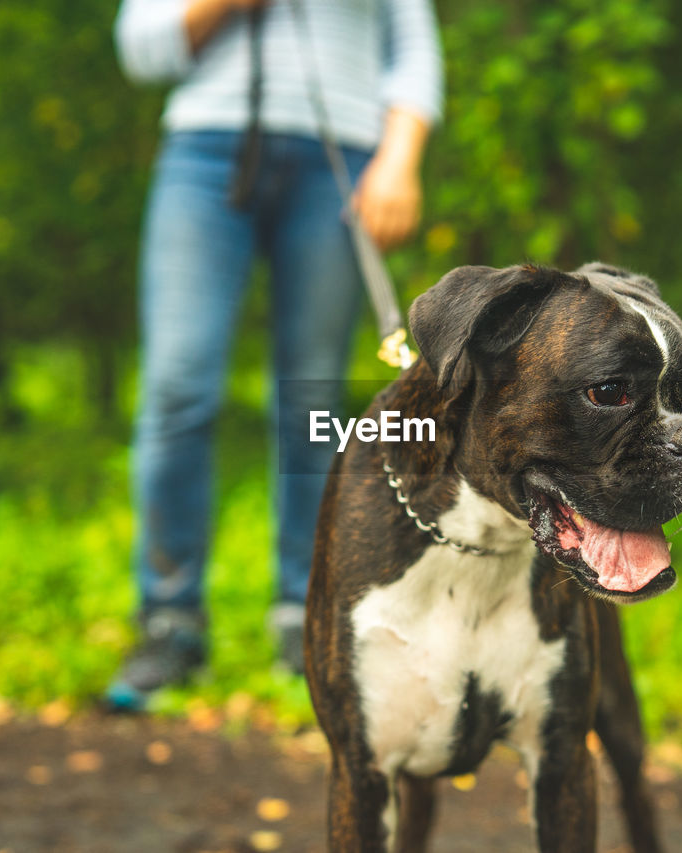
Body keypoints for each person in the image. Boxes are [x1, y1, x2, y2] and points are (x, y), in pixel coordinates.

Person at [106, 0, 442, 709]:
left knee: (312, 399)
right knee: (176, 386)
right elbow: (142, 48)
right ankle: (169, 620)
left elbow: (413, 48)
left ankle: (308, 614)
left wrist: (399, 160)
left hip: (342, 155)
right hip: (204, 148)